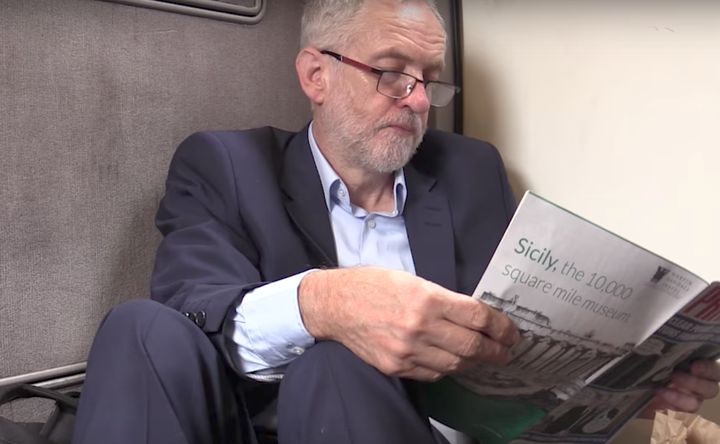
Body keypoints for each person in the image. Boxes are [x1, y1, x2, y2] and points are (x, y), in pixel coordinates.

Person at [72, 1, 720, 443]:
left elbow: (515, 350)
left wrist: (624, 388)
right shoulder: (226, 164)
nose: (415, 99)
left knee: (342, 367)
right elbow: (195, 311)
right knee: (139, 327)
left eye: (428, 81)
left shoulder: (470, 171)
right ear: (315, 74)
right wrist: (320, 303)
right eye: (390, 72)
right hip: (256, 424)